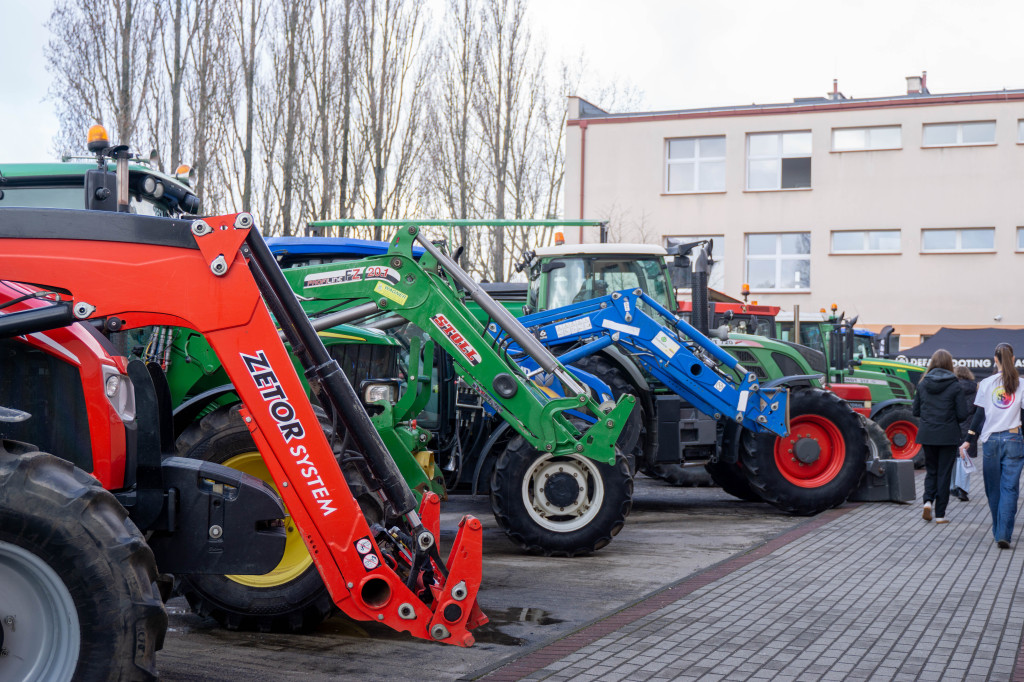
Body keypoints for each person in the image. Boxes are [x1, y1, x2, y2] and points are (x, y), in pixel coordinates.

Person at [962, 343, 1024, 549]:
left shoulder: (987, 383)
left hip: (990, 442)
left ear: (994, 359)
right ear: (1013, 359)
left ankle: (999, 531)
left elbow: (978, 416)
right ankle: (1003, 533)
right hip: (1014, 440)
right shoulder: (1021, 384)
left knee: (993, 489)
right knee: (1010, 489)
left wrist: (969, 439)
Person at [913, 349, 967, 524]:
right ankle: (941, 514)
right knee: (944, 474)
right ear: (949, 364)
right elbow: (962, 414)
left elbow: (915, 411)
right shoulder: (955, 385)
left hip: (928, 434)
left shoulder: (922, 384)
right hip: (948, 435)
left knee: (931, 471)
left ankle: (927, 501)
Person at [950, 366, 979, 501]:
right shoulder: (976, 388)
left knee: (954, 458)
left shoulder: (953, 387)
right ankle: (963, 489)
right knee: (965, 458)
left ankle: (953, 487)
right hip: (970, 428)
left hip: (954, 427)